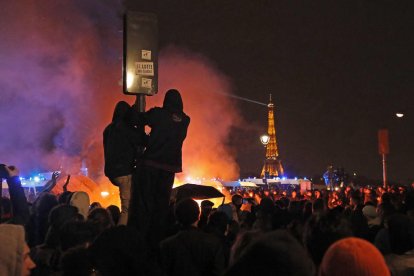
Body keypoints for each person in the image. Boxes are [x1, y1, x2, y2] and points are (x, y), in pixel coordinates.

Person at [129, 89, 190, 248]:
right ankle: (157, 237)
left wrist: (137, 108)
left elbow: (140, 119)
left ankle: (141, 237)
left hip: (151, 163)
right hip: (170, 167)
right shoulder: (185, 120)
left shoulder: (159, 114)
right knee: (161, 204)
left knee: (144, 202)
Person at [103, 101, 145, 225]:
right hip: (124, 171)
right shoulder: (126, 128)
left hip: (112, 172)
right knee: (127, 209)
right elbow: (142, 140)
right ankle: (123, 235)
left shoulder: (108, 129)